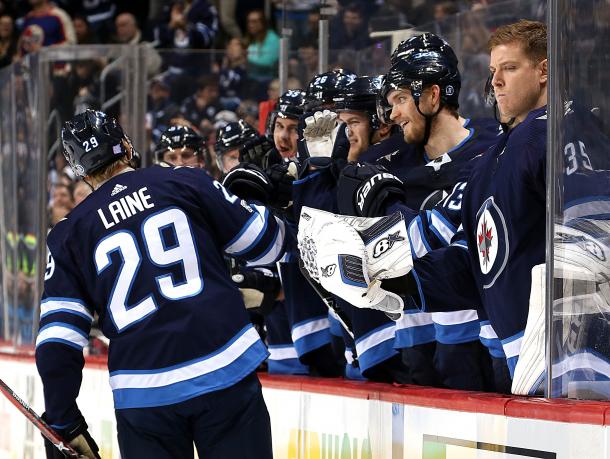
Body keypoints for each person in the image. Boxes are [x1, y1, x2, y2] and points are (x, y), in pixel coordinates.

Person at [303, 20, 548, 393]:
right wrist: (324, 175)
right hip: (418, 333)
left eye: (401, 99)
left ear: (433, 96)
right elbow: (326, 240)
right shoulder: (383, 161)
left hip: (500, 333)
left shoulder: (498, 146)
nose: (395, 113)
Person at [36, 109, 283, 458]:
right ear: (125, 145)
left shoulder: (68, 234)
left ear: (79, 171)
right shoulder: (183, 180)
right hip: (224, 368)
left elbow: (58, 341)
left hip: (143, 394)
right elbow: (267, 243)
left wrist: (62, 420)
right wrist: (278, 196)